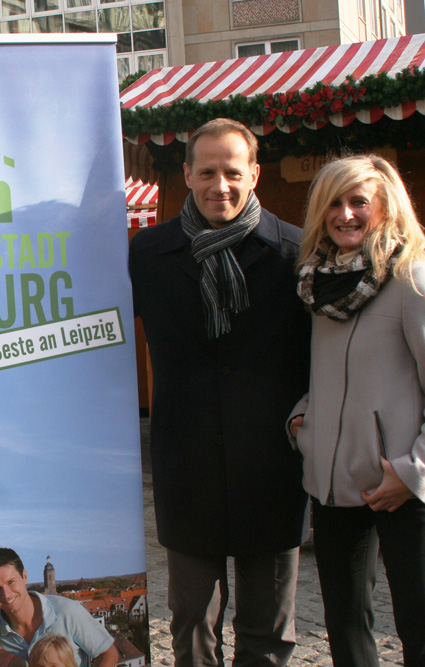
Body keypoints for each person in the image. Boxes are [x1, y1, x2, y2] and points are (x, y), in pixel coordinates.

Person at [128, 118, 310, 666]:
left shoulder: (294, 254)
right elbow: (97, 326)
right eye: (206, 172)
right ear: (186, 174)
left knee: (268, 631)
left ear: (254, 173)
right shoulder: (149, 255)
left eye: (232, 172)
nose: (219, 185)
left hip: (273, 469)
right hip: (188, 467)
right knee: (191, 627)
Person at [288, 154, 425, 667]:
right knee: (346, 629)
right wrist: (304, 422)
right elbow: (326, 377)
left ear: (385, 207)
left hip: (404, 490)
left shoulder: (412, 279)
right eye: (333, 205)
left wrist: (412, 473)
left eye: (358, 202)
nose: (345, 214)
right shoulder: (317, 285)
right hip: (334, 484)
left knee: (418, 624)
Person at [0, 548, 117, 667]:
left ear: (24, 576)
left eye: (11, 582)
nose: (6, 594)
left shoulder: (67, 611)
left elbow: (108, 653)